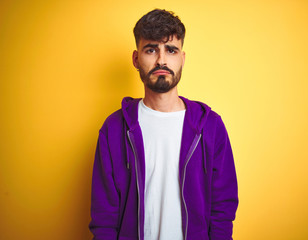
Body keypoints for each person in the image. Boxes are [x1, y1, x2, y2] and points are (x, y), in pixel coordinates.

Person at [89, 9, 238, 240]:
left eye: (171, 50)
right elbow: (104, 216)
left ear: (182, 58)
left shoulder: (210, 126)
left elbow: (223, 209)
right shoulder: (114, 129)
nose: (161, 60)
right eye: (151, 49)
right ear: (136, 59)